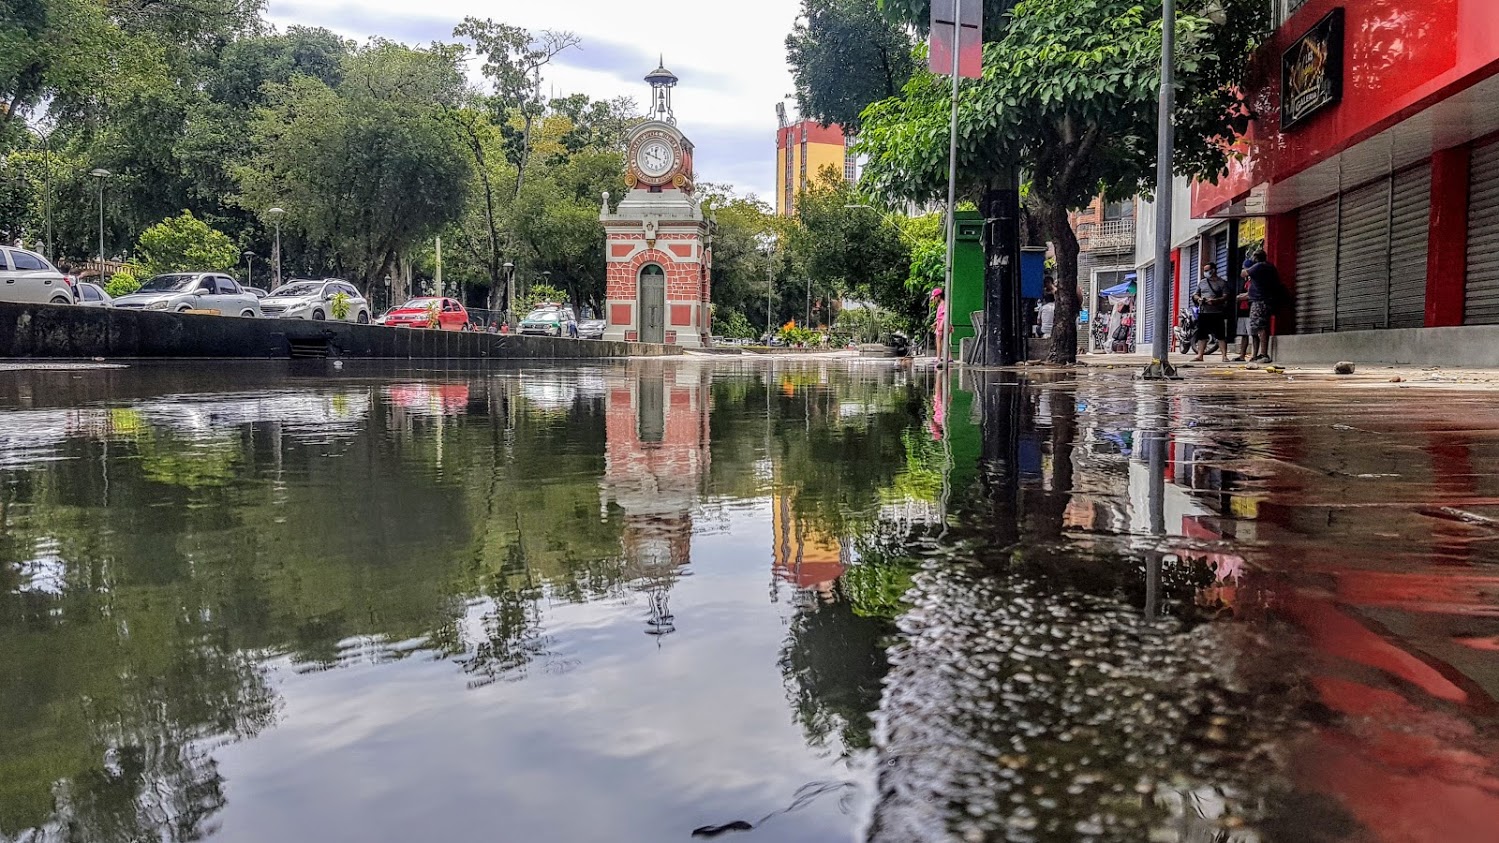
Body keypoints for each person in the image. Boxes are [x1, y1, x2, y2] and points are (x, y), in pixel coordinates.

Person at [1242, 249, 1285, 364]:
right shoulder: (1270, 267)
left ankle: (1263, 354)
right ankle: (1259, 354)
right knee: (1260, 327)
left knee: (1260, 327)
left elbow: (1243, 273)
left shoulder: (1259, 266)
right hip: (1267, 300)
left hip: (1260, 301)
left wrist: (1248, 264)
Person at [1192, 261, 1232, 362]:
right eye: (1204, 270)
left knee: (1220, 335)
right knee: (1202, 335)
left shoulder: (1222, 283)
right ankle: (1200, 355)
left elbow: (1226, 296)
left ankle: (1224, 356)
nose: (1205, 272)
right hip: (1204, 312)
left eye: (1207, 270)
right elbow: (1195, 294)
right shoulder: (1202, 282)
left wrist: (1215, 301)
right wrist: (1199, 299)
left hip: (1217, 313)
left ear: (1213, 270)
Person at [1232, 256, 1255, 361]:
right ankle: (1242, 355)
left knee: (1253, 333)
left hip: (1250, 309)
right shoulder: (1244, 281)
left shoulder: (1254, 281)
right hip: (1243, 309)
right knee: (1243, 334)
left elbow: (1252, 294)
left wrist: (1241, 297)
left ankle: (1254, 355)